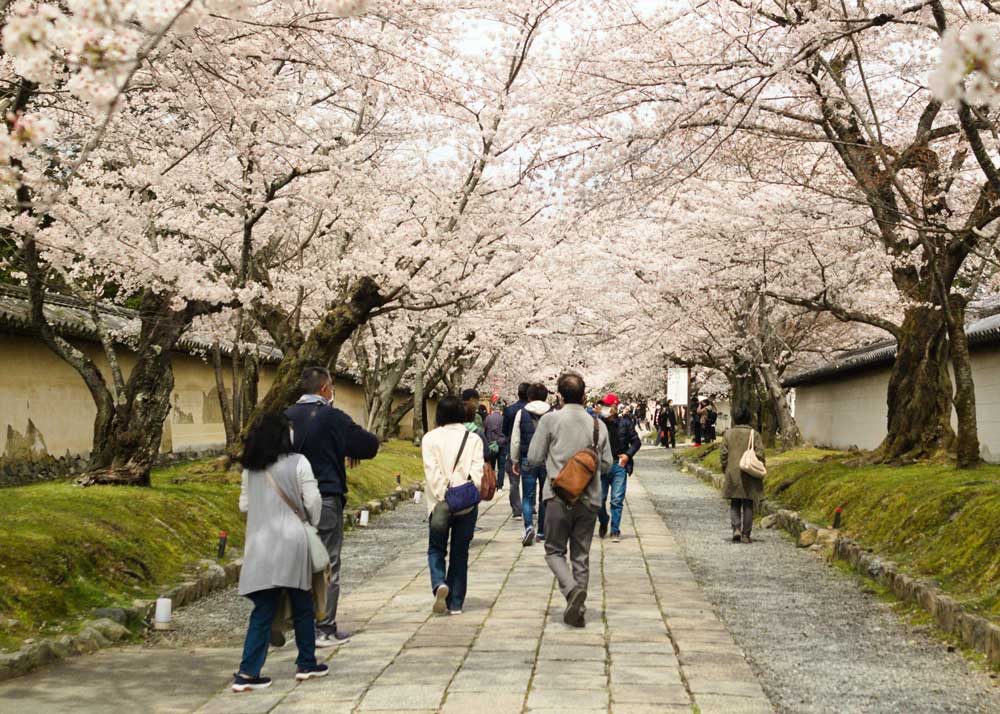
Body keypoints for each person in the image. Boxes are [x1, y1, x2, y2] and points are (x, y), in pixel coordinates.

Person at [285, 366, 379, 647]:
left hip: (288, 500)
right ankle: (323, 628)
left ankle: (294, 623)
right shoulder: (332, 417)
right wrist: (343, 447)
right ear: (326, 389)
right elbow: (369, 445)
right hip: (325, 495)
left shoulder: (284, 417)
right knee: (326, 563)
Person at [233, 413, 328, 692]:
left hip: (260, 542)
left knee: (262, 609)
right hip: (293, 540)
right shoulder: (299, 462)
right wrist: (311, 522)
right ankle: (306, 663)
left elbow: (244, 506)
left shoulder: (250, 470)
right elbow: (313, 500)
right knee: (302, 604)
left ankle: (247, 673)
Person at [527, 372, 612, 628]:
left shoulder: (550, 421)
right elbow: (607, 465)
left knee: (553, 551)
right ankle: (580, 608)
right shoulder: (598, 425)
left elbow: (533, 458)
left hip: (557, 496)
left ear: (559, 396)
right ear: (585, 396)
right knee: (581, 555)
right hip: (589, 500)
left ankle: (571, 590)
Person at [421, 396, 485, 615]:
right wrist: (465, 491)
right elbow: (477, 473)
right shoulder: (473, 439)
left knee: (436, 548)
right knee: (460, 551)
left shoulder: (430, 438)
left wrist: (444, 495)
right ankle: (456, 602)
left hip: (439, 503)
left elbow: (431, 472)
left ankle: (439, 582)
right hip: (465, 503)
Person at [509, 382, 552, 546]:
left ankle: (528, 527)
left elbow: (515, 439)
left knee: (527, 496)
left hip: (527, 458)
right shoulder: (552, 412)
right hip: (547, 460)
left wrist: (514, 460)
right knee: (544, 496)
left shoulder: (522, 413)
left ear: (529, 396)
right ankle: (541, 531)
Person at [596, 393, 641, 542]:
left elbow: (636, 442)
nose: (604, 409)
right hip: (601, 465)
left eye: (608, 406)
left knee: (617, 499)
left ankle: (615, 530)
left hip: (619, 465)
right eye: (603, 406)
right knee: (598, 499)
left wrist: (628, 455)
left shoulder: (625, 423)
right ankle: (603, 520)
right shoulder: (597, 423)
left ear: (615, 407)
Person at [719, 406, 766, 543]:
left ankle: (736, 529)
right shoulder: (754, 434)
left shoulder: (728, 434)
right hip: (748, 471)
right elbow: (760, 453)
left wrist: (724, 467)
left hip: (733, 471)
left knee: (734, 502)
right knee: (748, 503)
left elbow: (723, 453)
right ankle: (746, 534)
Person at [502, 383, 530, 519]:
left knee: (514, 482)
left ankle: (517, 509)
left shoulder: (509, 410)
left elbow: (504, 430)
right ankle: (531, 506)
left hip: (511, 447)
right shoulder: (531, 410)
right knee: (530, 478)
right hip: (528, 447)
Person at [483, 404, 506, 491]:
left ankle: (492, 483)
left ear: (493, 410)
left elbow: (484, 430)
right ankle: (500, 486)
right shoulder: (503, 419)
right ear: (500, 411)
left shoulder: (488, 418)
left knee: (491, 466)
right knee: (501, 466)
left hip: (491, 444)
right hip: (502, 444)